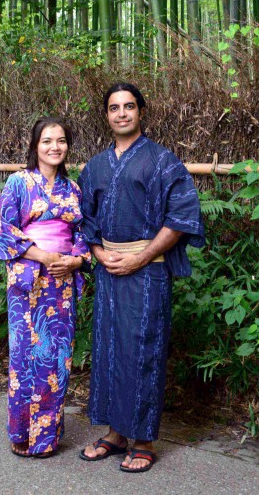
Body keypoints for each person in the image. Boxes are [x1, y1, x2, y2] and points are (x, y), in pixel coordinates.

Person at [76, 83, 204, 473]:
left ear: (141, 112)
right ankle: (116, 433)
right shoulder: (95, 166)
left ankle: (144, 439)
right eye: (114, 108)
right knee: (110, 349)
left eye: (129, 106)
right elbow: (86, 221)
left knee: (143, 350)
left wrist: (142, 258)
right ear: (106, 116)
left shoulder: (162, 161)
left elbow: (182, 216)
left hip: (148, 272)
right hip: (110, 271)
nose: (121, 113)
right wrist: (99, 254)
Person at [0, 117, 91, 458]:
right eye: (47, 141)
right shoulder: (19, 183)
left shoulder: (73, 189)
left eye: (61, 141)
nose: (55, 147)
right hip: (29, 279)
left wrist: (75, 261)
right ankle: (21, 431)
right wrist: (45, 256)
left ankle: (46, 437)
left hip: (61, 282)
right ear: (35, 145)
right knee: (24, 356)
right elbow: (2, 231)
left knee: (57, 357)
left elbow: (83, 236)